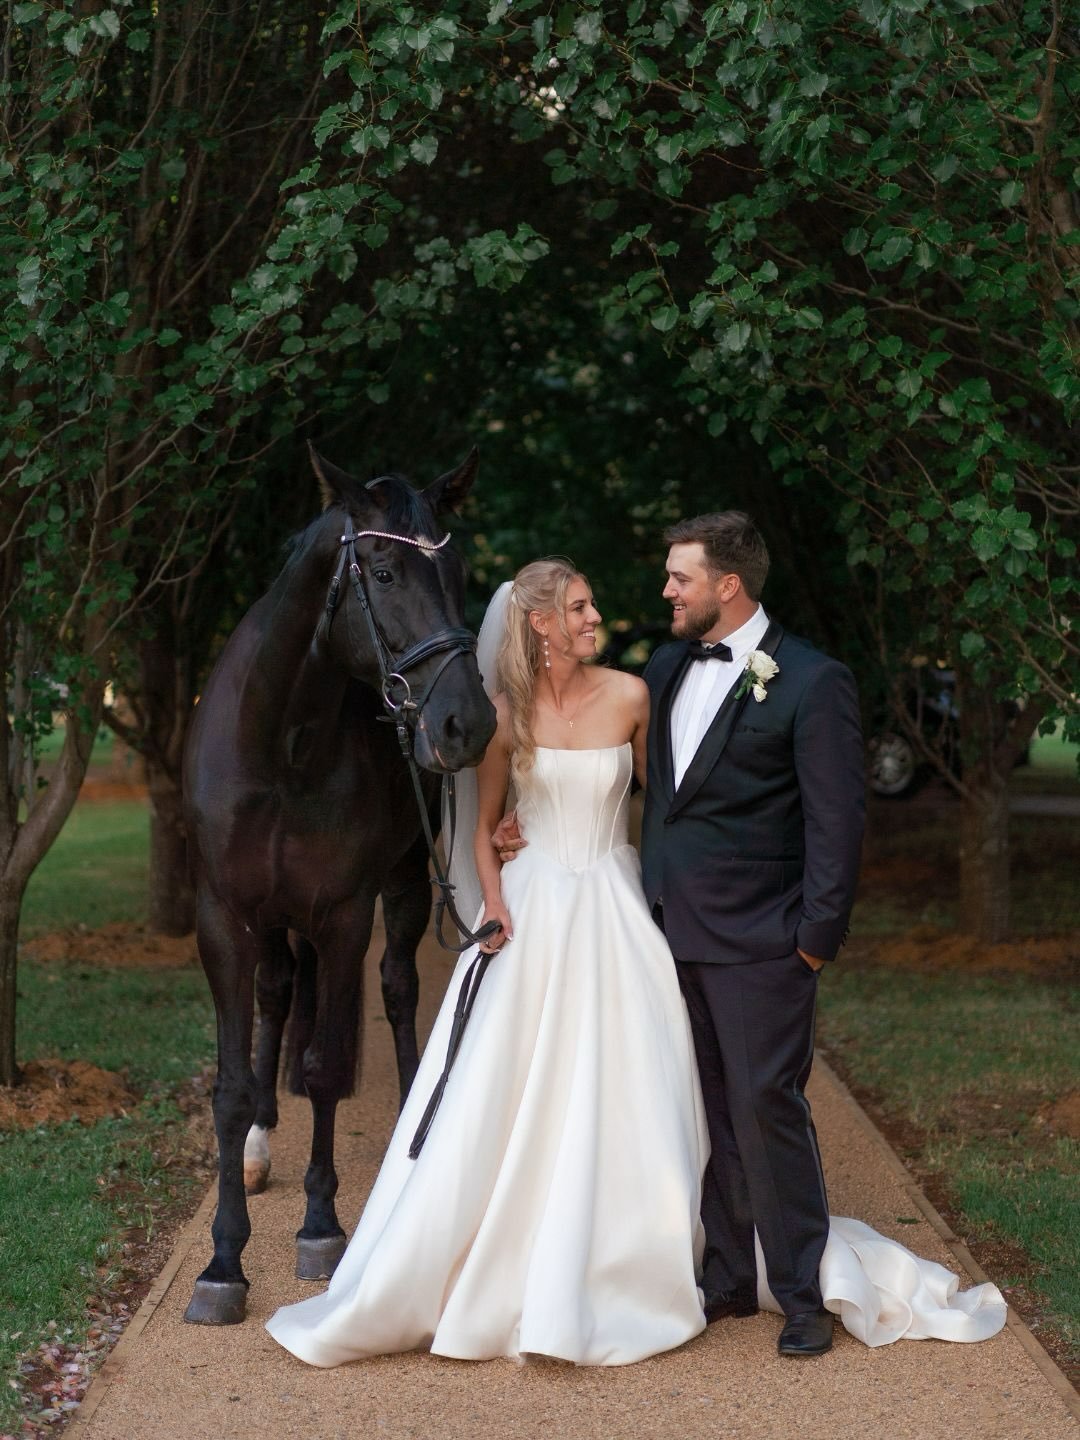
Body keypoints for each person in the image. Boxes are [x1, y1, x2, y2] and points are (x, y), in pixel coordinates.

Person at [266, 556, 1007, 1370]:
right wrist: (496, 896)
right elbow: (480, 826)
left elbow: (677, 802)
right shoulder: (502, 716)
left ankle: (667, 1257)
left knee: (651, 1083)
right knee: (514, 1092)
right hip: (536, 911)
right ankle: (512, 1262)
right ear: (541, 623)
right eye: (580, 608)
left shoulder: (633, 693)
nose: (596, 617)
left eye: (595, 604)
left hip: (621, 913)